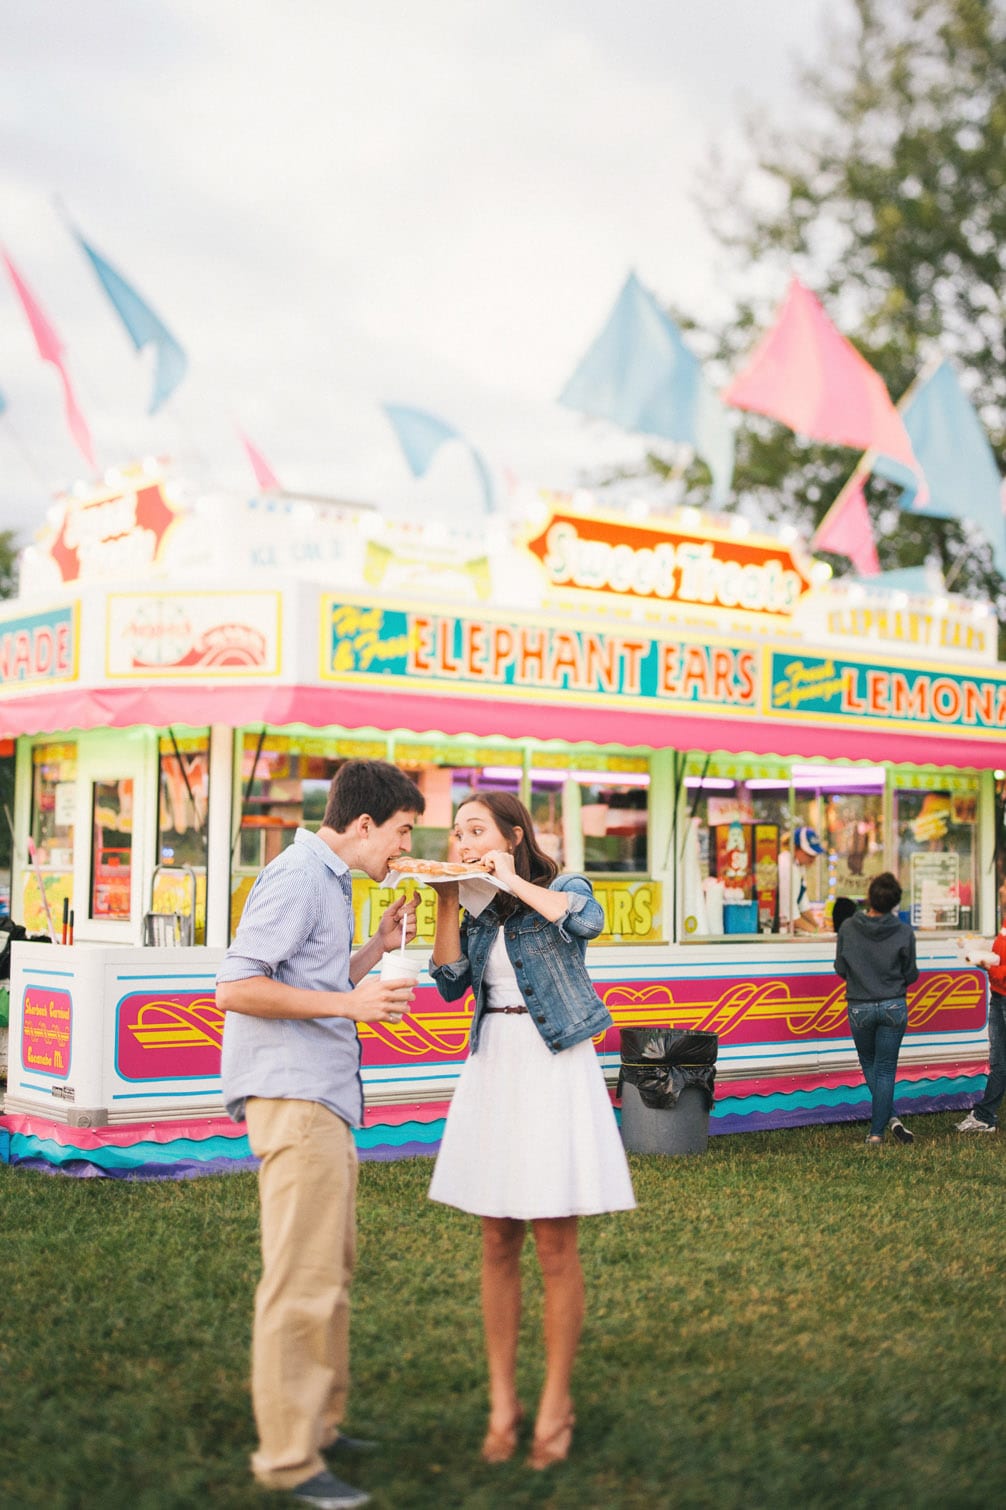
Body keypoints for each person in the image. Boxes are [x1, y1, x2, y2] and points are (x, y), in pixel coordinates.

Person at [216, 760, 426, 1510]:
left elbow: (317, 976)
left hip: (323, 1099)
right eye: (403, 832)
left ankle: (321, 1425)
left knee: (331, 1271)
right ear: (365, 825)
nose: (404, 849)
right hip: (295, 1096)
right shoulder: (299, 877)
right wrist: (354, 1007)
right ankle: (289, 1458)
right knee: (301, 1283)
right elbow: (237, 985)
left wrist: (370, 952)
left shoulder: (330, 883)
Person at [427, 792, 635, 1472]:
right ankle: (501, 1402)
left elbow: (588, 922)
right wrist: (448, 902)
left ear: (513, 834)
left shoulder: (561, 885)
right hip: (495, 1067)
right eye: (458, 831)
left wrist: (507, 879)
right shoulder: (472, 901)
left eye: (476, 828)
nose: (463, 839)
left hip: (553, 1064)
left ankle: (554, 1402)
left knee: (553, 1243)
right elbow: (451, 984)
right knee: (494, 1238)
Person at [835, 871, 918, 1146]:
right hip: (894, 1004)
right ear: (895, 902)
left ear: (869, 896)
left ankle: (882, 1127)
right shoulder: (904, 932)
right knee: (885, 1069)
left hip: (860, 1006)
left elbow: (840, 969)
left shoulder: (847, 927)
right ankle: (880, 1129)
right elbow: (911, 974)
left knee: (871, 1065)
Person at [956, 897, 1006, 1134]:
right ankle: (984, 1116)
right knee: (999, 1062)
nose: (1002, 891)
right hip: (998, 997)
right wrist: (979, 949)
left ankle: (984, 1115)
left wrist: (988, 966)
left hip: (1001, 993)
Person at [778, 826, 825, 933]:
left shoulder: (798, 866)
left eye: (815, 855)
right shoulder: (787, 867)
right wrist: (817, 932)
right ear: (795, 848)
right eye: (809, 854)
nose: (813, 859)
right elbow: (791, 917)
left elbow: (803, 906)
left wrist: (818, 928)